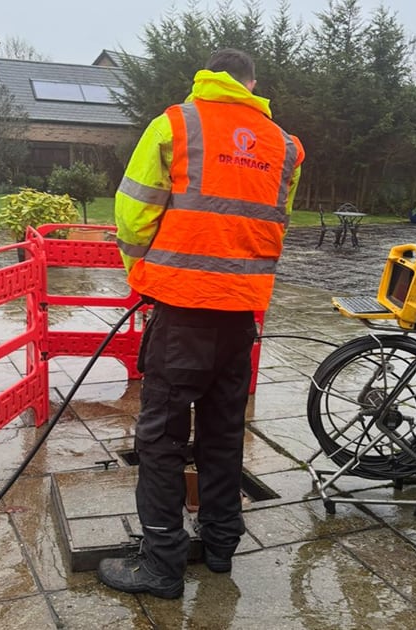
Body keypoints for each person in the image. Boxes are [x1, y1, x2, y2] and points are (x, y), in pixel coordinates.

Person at [98, 48, 304, 599]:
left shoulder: (175, 125)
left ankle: (163, 566)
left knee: (161, 438)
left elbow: (134, 209)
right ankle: (219, 547)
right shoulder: (285, 146)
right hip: (240, 316)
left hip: (183, 312)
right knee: (222, 431)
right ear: (252, 83)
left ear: (206, 78)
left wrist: (141, 274)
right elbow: (273, 222)